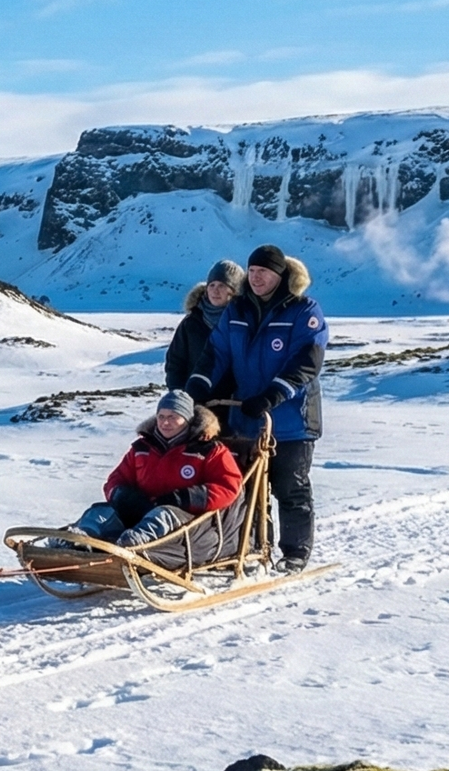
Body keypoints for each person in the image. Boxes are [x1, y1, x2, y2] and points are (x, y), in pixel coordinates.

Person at [187, 242, 327, 572]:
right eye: (251, 272)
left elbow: (307, 362)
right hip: (248, 416)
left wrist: (273, 394)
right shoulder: (237, 312)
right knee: (248, 487)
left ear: (280, 275)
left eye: (263, 272)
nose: (256, 278)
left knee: (289, 486)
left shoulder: (304, 311)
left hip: (292, 418)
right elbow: (217, 353)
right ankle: (253, 547)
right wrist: (198, 385)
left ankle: (294, 553)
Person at [67, 390, 244, 547]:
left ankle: (132, 545)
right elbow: (116, 479)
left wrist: (185, 497)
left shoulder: (209, 450)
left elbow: (228, 486)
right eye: (161, 416)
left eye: (173, 417)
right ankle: (81, 538)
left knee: (162, 515)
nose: (165, 422)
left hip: (184, 518)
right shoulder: (141, 448)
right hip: (141, 509)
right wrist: (123, 496)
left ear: (188, 420)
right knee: (101, 511)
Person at [165, 259, 243, 392]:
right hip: (196, 399)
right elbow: (175, 363)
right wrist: (179, 394)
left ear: (234, 291)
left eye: (222, 286)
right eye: (212, 285)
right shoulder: (192, 323)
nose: (215, 291)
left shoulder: (244, 322)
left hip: (236, 403)